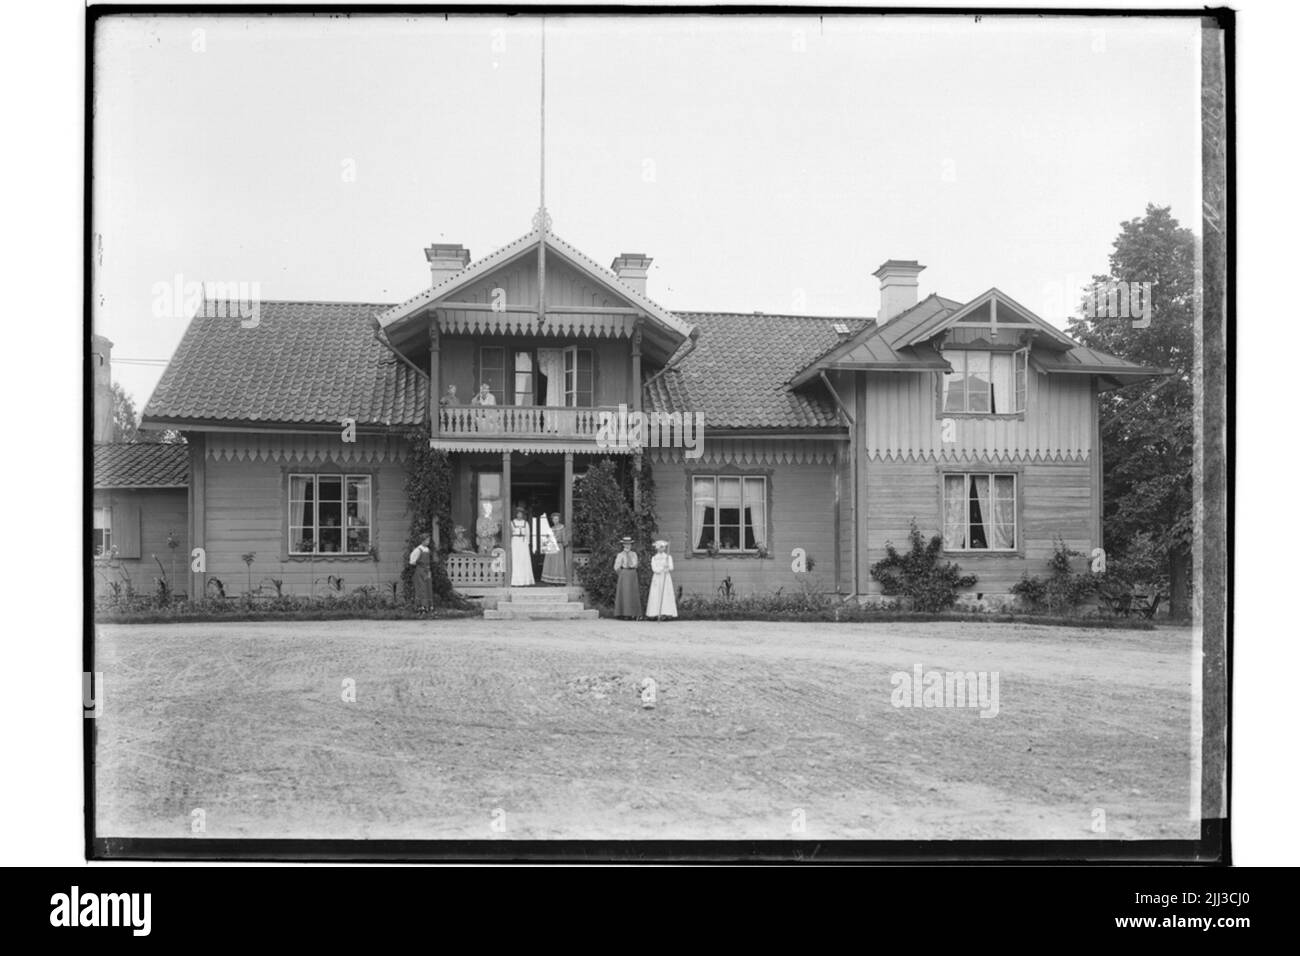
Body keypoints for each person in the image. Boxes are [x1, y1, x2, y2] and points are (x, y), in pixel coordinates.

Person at [647, 539, 678, 621]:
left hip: (665, 577)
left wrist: (667, 567)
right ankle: (655, 613)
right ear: (657, 548)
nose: (662, 549)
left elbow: (671, 568)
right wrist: (662, 567)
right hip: (657, 578)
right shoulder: (654, 558)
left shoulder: (668, 557)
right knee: (656, 594)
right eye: (660, 547)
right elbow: (654, 569)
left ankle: (666, 612)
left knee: (665, 594)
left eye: (663, 547)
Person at [612, 536, 641, 620]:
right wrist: (621, 573)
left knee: (633, 593)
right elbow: (616, 566)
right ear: (623, 545)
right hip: (624, 573)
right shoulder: (620, 555)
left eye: (629, 544)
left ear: (631, 545)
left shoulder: (634, 554)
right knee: (625, 593)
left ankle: (634, 613)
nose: (627, 546)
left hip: (632, 574)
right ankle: (624, 614)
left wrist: (633, 566)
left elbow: (635, 564)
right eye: (626, 544)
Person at [509, 506, 534, 586]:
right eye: (518, 513)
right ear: (516, 514)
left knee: (524, 560)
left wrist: (527, 543)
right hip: (515, 542)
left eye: (521, 514)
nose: (519, 515)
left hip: (523, 543)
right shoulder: (512, 523)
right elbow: (509, 534)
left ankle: (525, 581)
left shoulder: (526, 523)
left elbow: (528, 534)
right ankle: (515, 581)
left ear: (523, 515)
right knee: (516, 561)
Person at [541, 512, 568, 585]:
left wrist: (564, 544)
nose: (555, 520)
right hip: (551, 547)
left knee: (558, 563)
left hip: (559, 546)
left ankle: (559, 581)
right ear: (552, 520)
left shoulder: (562, 527)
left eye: (557, 519)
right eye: (554, 519)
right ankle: (551, 580)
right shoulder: (551, 528)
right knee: (551, 563)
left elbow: (565, 539)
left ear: (559, 519)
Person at [409, 533, 433, 611]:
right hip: (420, 570)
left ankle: (429, 605)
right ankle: (421, 606)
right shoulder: (418, 549)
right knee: (421, 587)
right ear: (423, 540)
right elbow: (412, 561)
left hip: (427, 570)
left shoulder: (427, 549)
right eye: (427, 540)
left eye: (428, 540)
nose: (428, 542)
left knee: (428, 587)